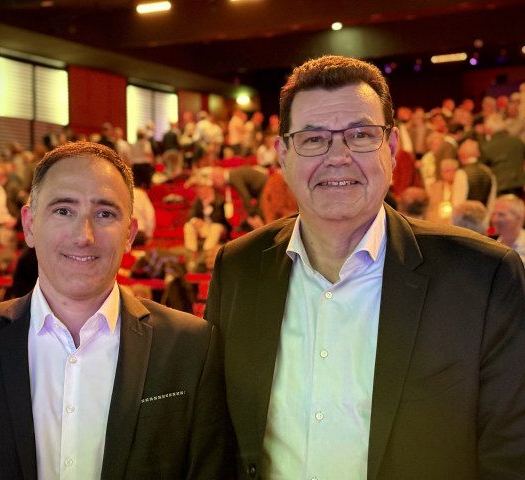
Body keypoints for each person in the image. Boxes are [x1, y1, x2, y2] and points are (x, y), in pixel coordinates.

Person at [205, 55, 525, 479]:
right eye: (313, 138)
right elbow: (216, 437)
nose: (338, 157)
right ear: (283, 155)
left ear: (390, 149)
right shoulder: (237, 268)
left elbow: (510, 458)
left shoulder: (484, 277)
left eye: (360, 135)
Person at [0, 141, 235, 479]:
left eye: (105, 214)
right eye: (63, 211)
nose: (83, 236)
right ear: (29, 225)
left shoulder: (191, 346)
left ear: (129, 235)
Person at [452, 139, 496, 213]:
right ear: (478, 154)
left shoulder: (461, 173)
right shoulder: (489, 172)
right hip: (483, 217)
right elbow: (492, 202)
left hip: (465, 217)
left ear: (462, 155)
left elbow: (457, 203)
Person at [491, 194, 525, 264]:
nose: (494, 220)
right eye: (493, 214)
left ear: (519, 217)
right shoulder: (491, 245)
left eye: (501, 214)